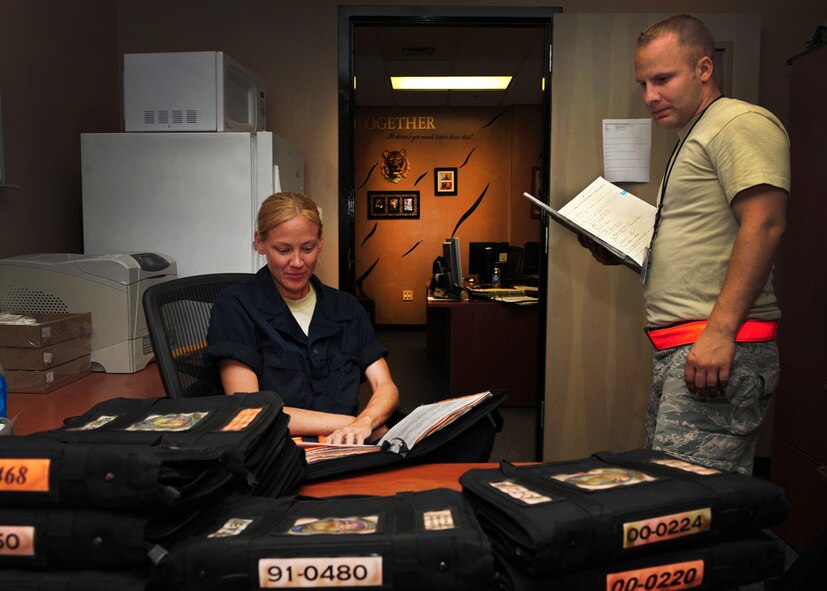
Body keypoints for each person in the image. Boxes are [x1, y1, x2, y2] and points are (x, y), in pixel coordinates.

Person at [581, 15, 789, 474]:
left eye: (662, 79)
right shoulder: (695, 134)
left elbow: (766, 224)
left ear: (703, 69)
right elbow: (702, 240)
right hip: (684, 347)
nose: (649, 96)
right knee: (679, 494)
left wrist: (719, 332)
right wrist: (626, 254)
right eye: (643, 83)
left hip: (716, 343)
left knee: (687, 504)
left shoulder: (737, 123)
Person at [204, 192, 399, 445]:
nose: (297, 262)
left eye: (307, 249)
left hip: (348, 445)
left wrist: (366, 421)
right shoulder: (235, 306)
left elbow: (385, 386)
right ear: (259, 242)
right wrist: (356, 423)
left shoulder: (346, 307)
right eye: (283, 250)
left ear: (320, 243)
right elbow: (251, 409)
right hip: (277, 448)